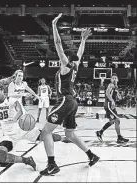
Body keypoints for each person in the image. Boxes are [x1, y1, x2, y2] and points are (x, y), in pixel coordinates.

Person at [39, 14, 100, 176]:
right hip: (73, 102)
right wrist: (83, 40)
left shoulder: (65, 66)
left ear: (66, 59)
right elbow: (79, 54)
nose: (62, 57)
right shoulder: (75, 67)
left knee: (45, 132)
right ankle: (91, 155)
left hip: (65, 100)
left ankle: (52, 164)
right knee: (69, 133)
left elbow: (58, 43)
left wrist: (53, 25)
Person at [0, 70, 41, 145]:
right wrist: (23, 94)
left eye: (22, 76)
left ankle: (36, 133)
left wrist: (36, 96)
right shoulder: (12, 84)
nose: (21, 77)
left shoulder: (24, 83)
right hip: (9, 105)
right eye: (19, 76)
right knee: (0, 123)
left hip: (18, 105)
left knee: (27, 119)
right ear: (15, 76)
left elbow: (29, 89)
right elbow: (10, 95)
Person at [96, 74, 129, 143]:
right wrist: (112, 100)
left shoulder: (116, 87)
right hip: (108, 105)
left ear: (117, 80)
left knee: (112, 121)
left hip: (111, 106)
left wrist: (118, 97)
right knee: (117, 120)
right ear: (111, 80)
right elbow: (107, 92)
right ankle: (119, 137)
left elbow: (116, 96)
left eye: (115, 78)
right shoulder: (111, 85)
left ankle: (100, 132)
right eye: (113, 78)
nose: (114, 79)